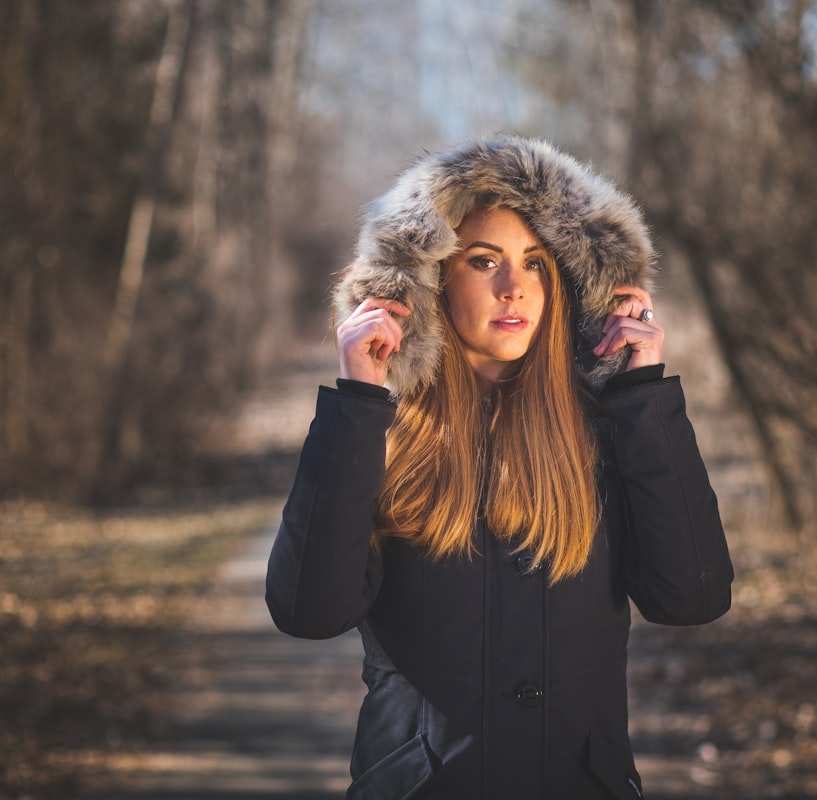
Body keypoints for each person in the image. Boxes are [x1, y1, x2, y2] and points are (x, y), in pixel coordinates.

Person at [266, 136, 734, 800]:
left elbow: (693, 597)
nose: (514, 288)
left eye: (536, 265)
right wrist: (360, 398)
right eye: (484, 261)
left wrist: (643, 398)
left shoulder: (610, 434)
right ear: (431, 279)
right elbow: (307, 610)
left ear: (567, 285)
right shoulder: (382, 437)